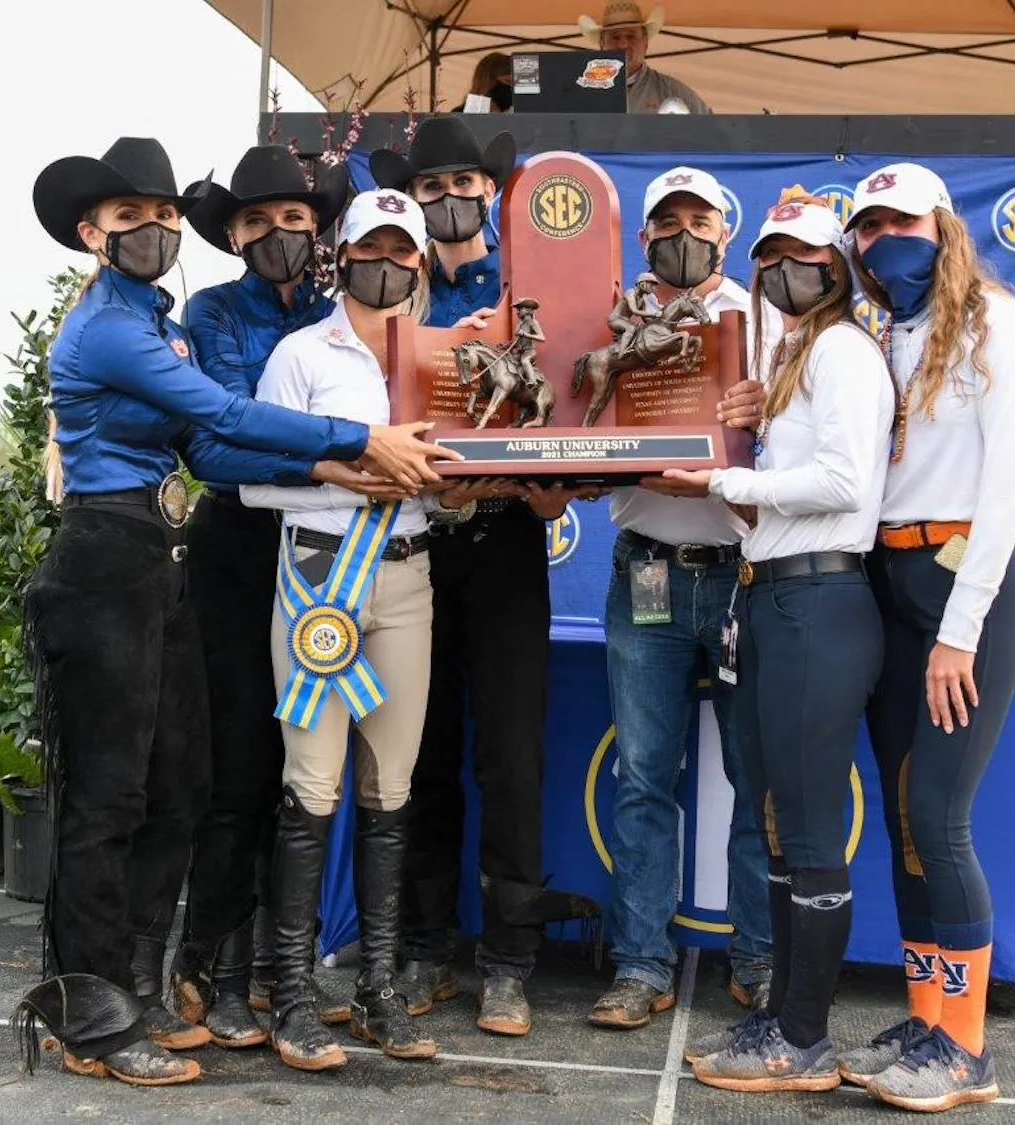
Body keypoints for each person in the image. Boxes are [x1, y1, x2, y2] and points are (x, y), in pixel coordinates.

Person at [11, 138, 451, 1087]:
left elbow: (207, 436)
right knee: (108, 798)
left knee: (178, 786)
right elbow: (219, 421)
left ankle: (144, 985)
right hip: (106, 555)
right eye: (131, 217)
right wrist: (355, 440)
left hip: (160, 553)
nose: (155, 229)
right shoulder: (115, 328)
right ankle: (86, 1007)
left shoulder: (160, 319)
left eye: (165, 214)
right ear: (92, 233)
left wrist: (329, 463)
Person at [371, 117, 604, 1037]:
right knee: (419, 751)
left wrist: (558, 485)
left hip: (508, 538)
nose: (449, 199)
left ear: (492, 194)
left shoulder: (533, 285)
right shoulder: (390, 287)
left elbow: (579, 401)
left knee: (512, 754)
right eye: (431, 188)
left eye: (464, 183)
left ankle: (509, 962)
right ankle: (425, 945)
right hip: (419, 538)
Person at [657, 191, 893, 1092]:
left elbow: (840, 480)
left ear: (835, 264)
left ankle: (804, 1036)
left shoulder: (841, 349)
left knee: (808, 829)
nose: (784, 267)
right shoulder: (796, 353)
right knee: (782, 825)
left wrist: (724, 471)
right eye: (770, 253)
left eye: (802, 252)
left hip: (819, 601)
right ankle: (784, 1020)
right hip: (773, 598)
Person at [166, 145, 380, 1051]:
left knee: (307, 765)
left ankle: (272, 970)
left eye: (294, 220)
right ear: (232, 235)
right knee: (239, 767)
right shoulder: (209, 314)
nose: (278, 234)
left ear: (317, 228)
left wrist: (322, 463)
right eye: (257, 223)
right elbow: (212, 446)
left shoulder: (345, 322)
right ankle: (202, 964)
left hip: (330, 555)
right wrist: (330, 457)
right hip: (239, 553)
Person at [836, 162, 1015, 1113]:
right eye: (868, 230)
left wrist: (959, 636)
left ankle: (968, 1049)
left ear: (943, 224)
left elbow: (1006, 495)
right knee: (907, 821)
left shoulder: (998, 322)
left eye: (900, 223)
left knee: (942, 818)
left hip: (968, 590)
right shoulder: (886, 335)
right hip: (890, 578)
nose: (885, 243)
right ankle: (928, 1023)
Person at [241, 189, 445, 1071]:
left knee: (391, 782)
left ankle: (377, 989)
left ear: (421, 263)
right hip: (318, 577)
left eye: (405, 251)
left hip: (408, 575)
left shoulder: (442, 355)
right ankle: (290, 991)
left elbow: (454, 460)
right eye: (375, 247)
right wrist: (350, 477)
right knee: (312, 779)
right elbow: (251, 482)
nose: (389, 264)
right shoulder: (299, 353)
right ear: (345, 254)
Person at [588, 166, 774, 1031]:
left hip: (743, 568)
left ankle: (761, 957)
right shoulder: (610, 317)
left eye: (699, 220)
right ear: (644, 235)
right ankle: (639, 963)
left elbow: (807, 435)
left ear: (724, 235)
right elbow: (577, 423)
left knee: (755, 776)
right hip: (649, 569)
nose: (683, 234)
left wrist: (762, 409)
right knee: (644, 778)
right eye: (668, 221)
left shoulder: (767, 317)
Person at [577, 2, 711, 115]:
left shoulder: (672, 92)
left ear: (645, 43)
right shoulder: (582, 92)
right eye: (615, 37)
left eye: (631, 36)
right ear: (602, 45)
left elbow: (715, 132)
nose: (623, 44)